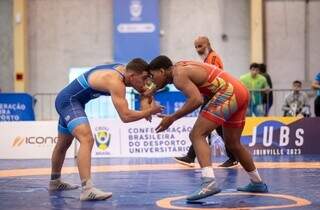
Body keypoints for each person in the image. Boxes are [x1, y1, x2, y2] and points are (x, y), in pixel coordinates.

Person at [148, 55, 268, 201]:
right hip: (240, 91)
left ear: (162, 71)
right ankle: (257, 182)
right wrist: (151, 90)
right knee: (233, 144)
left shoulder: (178, 76)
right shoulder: (180, 67)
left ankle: (208, 183)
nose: (152, 81)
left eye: (153, 77)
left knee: (196, 135)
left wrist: (172, 117)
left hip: (228, 92)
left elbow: (196, 100)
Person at [49, 58, 163, 201]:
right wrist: (149, 112)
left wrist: (146, 102)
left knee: (63, 144)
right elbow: (125, 116)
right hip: (69, 102)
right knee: (87, 139)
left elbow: (145, 90)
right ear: (133, 76)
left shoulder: (127, 72)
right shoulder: (115, 81)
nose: (146, 82)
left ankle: (55, 181)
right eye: (144, 78)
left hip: (70, 100)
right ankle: (87, 190)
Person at [174, 36, 238, 168]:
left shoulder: (213, 58)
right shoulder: (207, 58)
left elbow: (214, 77)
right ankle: (233, 157)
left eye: (200, 46)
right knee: (216, 129)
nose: (198, 49)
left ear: (208, 44)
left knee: (201, 128)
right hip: (212, 96)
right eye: (196, 47)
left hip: (214, 96)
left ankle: (191, 157)